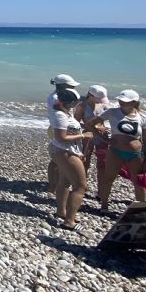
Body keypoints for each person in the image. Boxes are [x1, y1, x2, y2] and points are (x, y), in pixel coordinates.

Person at [86, 89, 146, 213]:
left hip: (135, 154)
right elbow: (90, 124)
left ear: (134, 102)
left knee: (138, 181)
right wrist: (101, 137)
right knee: (108, 179)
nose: (122, 103)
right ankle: (104, 206)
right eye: (120, 100)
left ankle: (141, 209)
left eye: (125, 101)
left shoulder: (143, 118)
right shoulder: (112, 112)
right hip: (115, 151)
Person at [48, 87, 94, 230]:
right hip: (65, 152)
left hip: (63, 151)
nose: (76, 104)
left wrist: (82, 129)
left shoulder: (64, 112)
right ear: (65, 102)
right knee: (80, 186)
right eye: (74, 102)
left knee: (64, 181)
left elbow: (67, 131)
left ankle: (62, 212)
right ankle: (69, 221)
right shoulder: (60, 115)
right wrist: (83, 136)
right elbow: (61, 137)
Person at [73, 85, 111, 196]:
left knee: (102, 163)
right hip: (87, 136)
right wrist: (88, 127)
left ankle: (101, 189)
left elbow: (110, 116)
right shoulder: (82, 106)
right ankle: (82, 185)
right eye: (98, 99)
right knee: (85, 162)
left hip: (101, 136)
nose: (100, 101)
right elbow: (75, 123)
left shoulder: (102, 105)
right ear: (90, 96)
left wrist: (104, 128)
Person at [46, 74, 80, 194]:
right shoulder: (57, 98)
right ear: (64, 86)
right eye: (71, 86)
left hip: (56, 127)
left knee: (56, 159)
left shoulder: (55, 96)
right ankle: (54, 185)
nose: (73, 89)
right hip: (58, 128)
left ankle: (54, 185)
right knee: (57, 159)